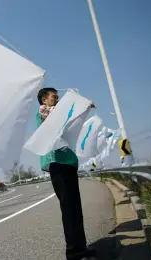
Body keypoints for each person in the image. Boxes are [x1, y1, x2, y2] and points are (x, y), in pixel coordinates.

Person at [36, 87, 96, 260]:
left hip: (69, 163)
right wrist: (74, 105)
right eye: (54, 97)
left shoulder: (59, 114)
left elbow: (70, 122)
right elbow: (54, 123)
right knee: (69, 209)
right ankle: (74, 253)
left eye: (57, 96)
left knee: (75, 209)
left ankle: (81, 248)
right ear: (44, 100)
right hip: (57, 164)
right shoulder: (43, 113)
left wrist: (84, 106)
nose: (57, 99)